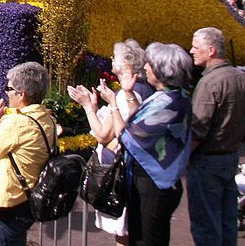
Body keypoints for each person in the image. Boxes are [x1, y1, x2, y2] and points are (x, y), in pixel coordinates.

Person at [100, 42, 193, 246]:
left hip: (153, 184)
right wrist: (129, 93)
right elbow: (139, 119)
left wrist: (113, 103)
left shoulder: (166, 102)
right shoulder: (177, 96)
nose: (146, 68)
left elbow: (126, 136)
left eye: (150, 64)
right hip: (160, 181)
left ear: (160, 71)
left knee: (146, 239)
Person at [68, 39, 153, 245]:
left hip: (120, 171)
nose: (111, 60)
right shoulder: (145, 89)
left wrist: (88, 105)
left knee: (123, 234)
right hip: (132, 169)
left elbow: (102, 135)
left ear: (126, 66)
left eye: (115, 57)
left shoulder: (126, 96)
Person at [0, 62, 55, 245]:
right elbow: (19, 132)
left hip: (12, 205)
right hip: (30, 198)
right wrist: (1, 118)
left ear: (21, 94)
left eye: (9, 88)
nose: (6, 92)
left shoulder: (17, 124)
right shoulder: (46, 117)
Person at [187, 28, 245, 246]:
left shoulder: (210, 82)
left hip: (208, 161)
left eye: (195, 47)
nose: (191, 51)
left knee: (206, 226)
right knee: (227, 220)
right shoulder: (238, 77)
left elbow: (198, 128)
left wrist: (179, 161)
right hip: (229, 157)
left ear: (210, 51)